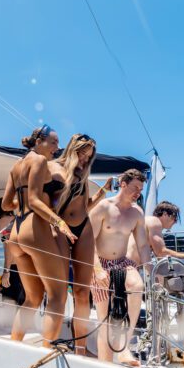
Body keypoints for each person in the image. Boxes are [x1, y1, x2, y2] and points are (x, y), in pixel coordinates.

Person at [2, 124, 76, 345]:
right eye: (53, 142)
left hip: (16, 232)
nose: (57, 147)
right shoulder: (39, 161)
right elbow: (35, 199)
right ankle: (46, 351)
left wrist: (23, 201)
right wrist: (59, 221)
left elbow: (7, 204)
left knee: (32, 298)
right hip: (35, 230)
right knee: (57, 295)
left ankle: (15, 344)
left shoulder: (16, 165)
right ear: (39, 141)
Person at [53, 133, 113, 355]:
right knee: (57, 289)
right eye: (82, 154)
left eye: (89, 156)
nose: (85, 160)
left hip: (83, 229)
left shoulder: (84, 176)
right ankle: (50, 339)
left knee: (81, 291)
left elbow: (86, 206)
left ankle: (80, 348)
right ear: (72, 149)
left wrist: (104, 190)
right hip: (60, 229)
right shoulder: (56, 170)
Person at [90, 168, 151, 366]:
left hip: (122, 263)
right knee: (105, 322)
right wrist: (97, 270)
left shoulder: (137, 213)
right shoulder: (103, 207)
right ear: (123, 184)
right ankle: (105, 366)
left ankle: (124, 347)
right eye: (134, 187)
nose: (138, 193)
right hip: (99, 263)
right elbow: (88, 242)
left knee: (137, 285)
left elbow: (142, 245)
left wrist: (150, 269)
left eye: (141, 189)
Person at [127, 201, 184, 265]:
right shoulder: (154, 221)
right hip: (129, 268)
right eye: (175, 218)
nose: (175, 222)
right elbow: (161, 252)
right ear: (165, 214)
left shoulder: (146, 222)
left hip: (127, 267)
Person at [0, 198, 25, 305]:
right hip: (26, 268)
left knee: (9, 305)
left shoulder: (4, 220)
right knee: (23, 305)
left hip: (14, 268)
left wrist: (6, 271)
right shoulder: (19, 219)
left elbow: (9, 245)